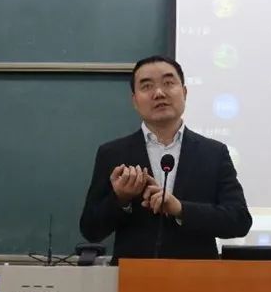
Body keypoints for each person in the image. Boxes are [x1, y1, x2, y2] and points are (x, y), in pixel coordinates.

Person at [79, 55, 252, 260]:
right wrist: (121, 199)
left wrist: (180, 209)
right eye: (147, 86)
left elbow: (239, 220)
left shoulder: (214, 153)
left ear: (184, 92)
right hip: (133, 276)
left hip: (197, 275)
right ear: (135, 101)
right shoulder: (113, 153)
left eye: (168, 83)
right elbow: (91, 230)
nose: (159, 93)